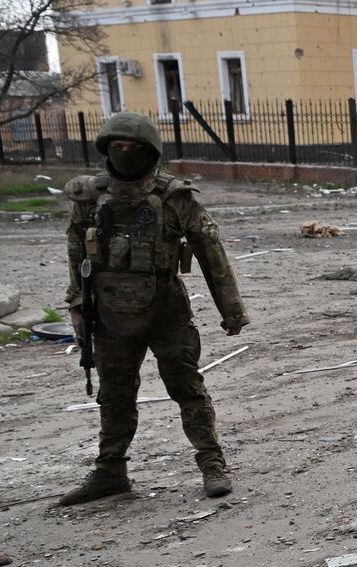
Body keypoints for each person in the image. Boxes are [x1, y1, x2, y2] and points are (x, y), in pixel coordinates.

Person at [60, 112, 248, 506]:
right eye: (117, 147)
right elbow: (77, 253)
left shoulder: (175, 197)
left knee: (187, 389)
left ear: (151, 152)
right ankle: (110, 471)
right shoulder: (88, 198)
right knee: (114, 395)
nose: (125, 154)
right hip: (109, 314)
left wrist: (232, 311)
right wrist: (77, 305)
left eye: (133, 148)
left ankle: (212, 464)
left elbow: (211, 252)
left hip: (166, 312)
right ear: (106, 150)